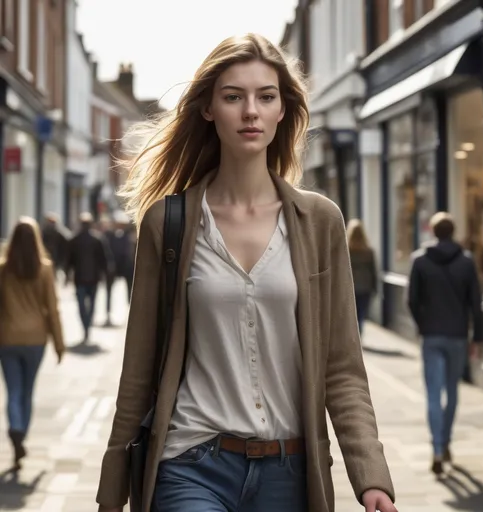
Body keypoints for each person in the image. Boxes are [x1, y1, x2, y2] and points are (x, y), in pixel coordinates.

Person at [96, 34, 397, 512]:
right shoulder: (167, 223)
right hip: (191, 463)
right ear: (209, 109)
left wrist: (371, 478)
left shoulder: (320, 222)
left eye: (266, 96)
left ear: (283, 110)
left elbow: (342, 369)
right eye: (234, 96)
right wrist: (113, 489)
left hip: (290, 471)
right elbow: (139, 368)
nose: (251, 111)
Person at [407, 212, 483, 476]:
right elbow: (476, 302)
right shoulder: (466, 261)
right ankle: (446, 441)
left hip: (432, 335)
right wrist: (478, 338)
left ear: (433, 231)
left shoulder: (420, 260)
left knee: (432, 394)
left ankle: (438, 448)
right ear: (453, 232)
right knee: (452, 391)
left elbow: (412, 301)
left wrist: (422, 325)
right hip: (458, 335)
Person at [0, 217, 65, 470]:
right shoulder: (45, 268)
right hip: (36, 340)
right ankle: (21, 433)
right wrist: (59, 345)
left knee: (13, 391)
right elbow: (53, 309)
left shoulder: (3, 269)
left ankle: (15, 430)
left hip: (7, 338)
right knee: (28, 392)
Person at [66, 212, 112, 343]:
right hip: (92, 278)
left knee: (82, 305)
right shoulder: (96, 239)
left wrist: (67, 275)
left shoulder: (75, 239)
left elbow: (69, 261)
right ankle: (87, 326)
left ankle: (86, 326)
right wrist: (105, 273)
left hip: (81, 278)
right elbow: (105, 259)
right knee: (90, 305)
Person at [347, 219, 377, 335]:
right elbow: (373, 271)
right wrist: (374, 287)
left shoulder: (346, 250)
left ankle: (353, 335)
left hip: (350, 286)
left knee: (351, 314)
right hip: (365, 287)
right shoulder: (368, 251)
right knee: (361, 313)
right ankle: (359, 334)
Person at [41, 212, 70, 279]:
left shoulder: (58, 233)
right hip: (46, 257)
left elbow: (67, 243)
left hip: (54, 258)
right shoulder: (43, 232)